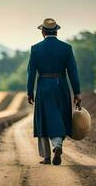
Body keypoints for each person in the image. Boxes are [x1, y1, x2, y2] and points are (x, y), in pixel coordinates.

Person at [27, 18, 81, 165]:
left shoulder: (35, 49)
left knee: (43, 119)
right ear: (56, 31)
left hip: (43, 87)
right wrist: (77, 92)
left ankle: (46, 157)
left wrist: (30, 92)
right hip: (61, 86)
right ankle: (57, 145)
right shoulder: (66, 48)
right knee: (60, 117)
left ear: (43, 32)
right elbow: (73, 72)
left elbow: (31, 73)